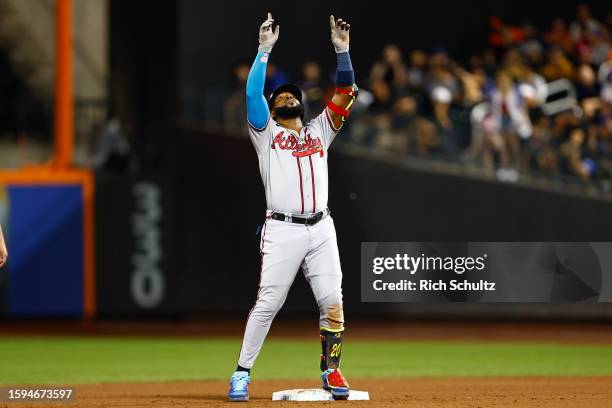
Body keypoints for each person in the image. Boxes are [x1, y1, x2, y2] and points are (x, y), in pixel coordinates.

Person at [227, 12, 357, 402]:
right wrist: (263, 51)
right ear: (272, 107)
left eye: (291, 94)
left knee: (332, 300)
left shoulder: (320, 130)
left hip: (321, 228)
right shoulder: (266, 134)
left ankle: (331, 371)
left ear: (301, 103)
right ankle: (242, 372)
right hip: (282, 228)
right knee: (268, 302)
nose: (286, 96)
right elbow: (252, 95)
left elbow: (345, 93)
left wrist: (342, 51)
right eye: (279, 95)